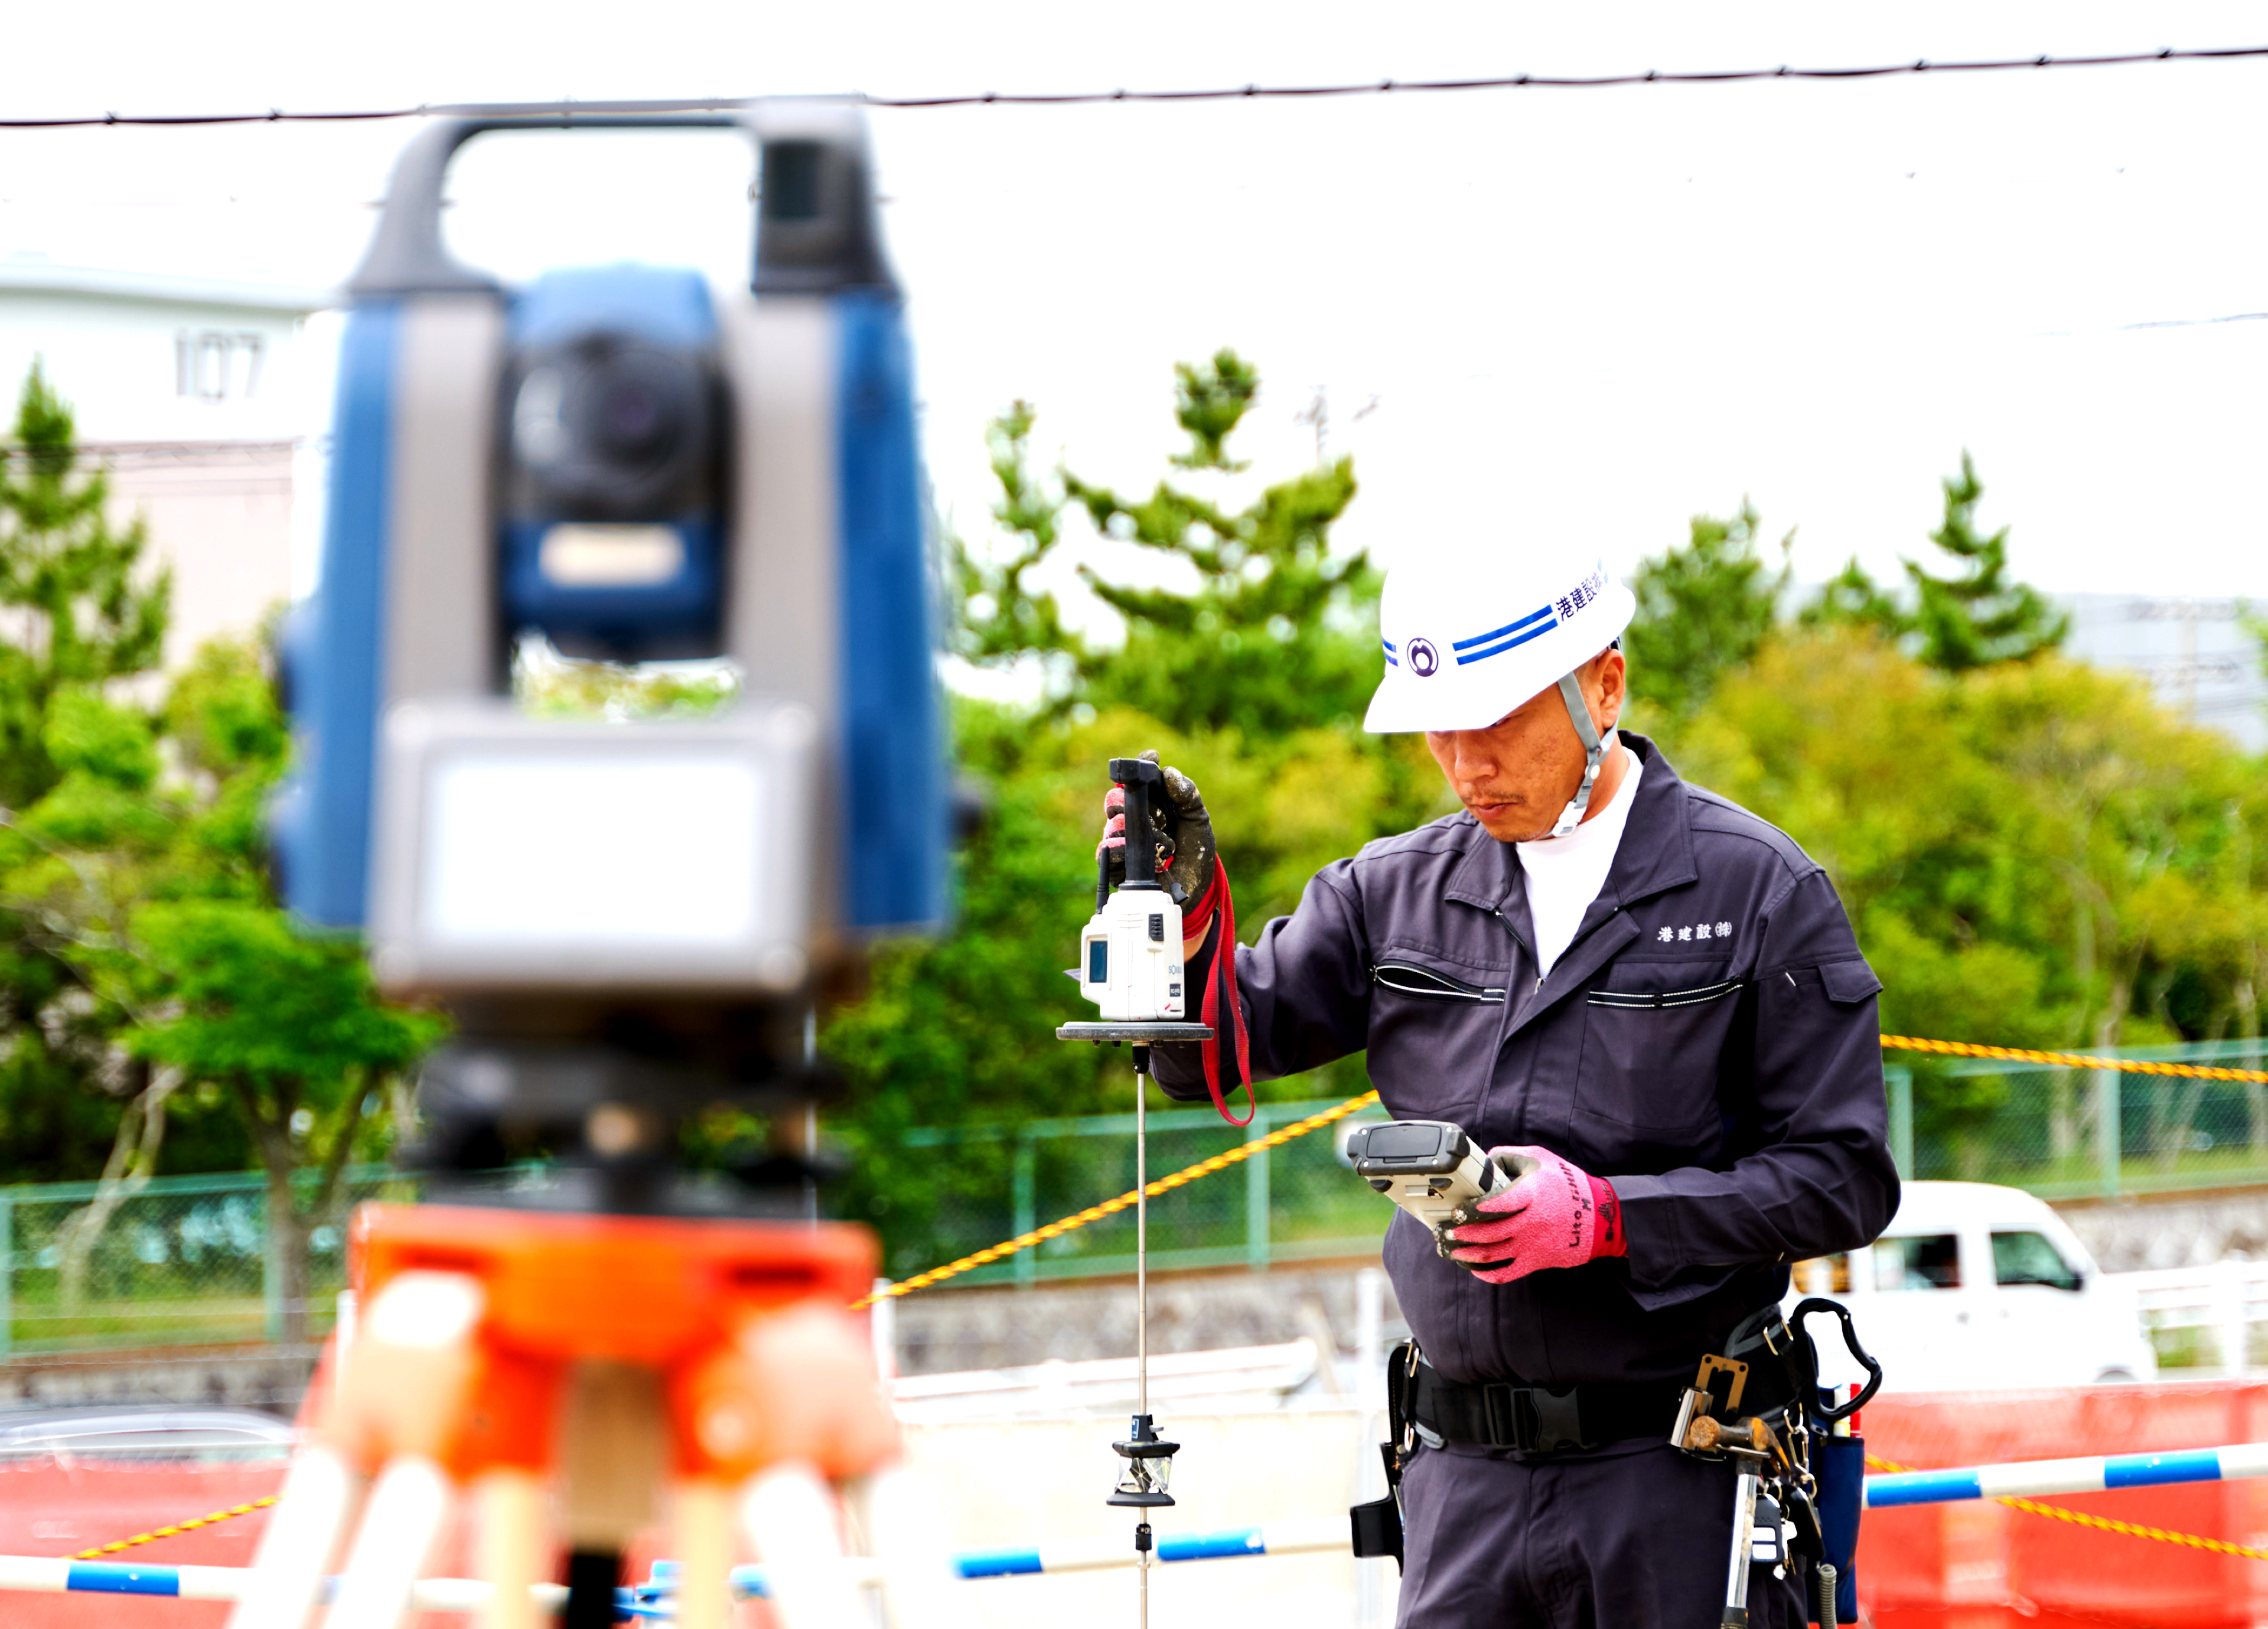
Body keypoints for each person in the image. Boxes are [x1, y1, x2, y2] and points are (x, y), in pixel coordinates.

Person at [1098, 539, 1898, 1628]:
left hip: (1681, 1473)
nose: (1467, 762)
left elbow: (1843, 1180)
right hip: (1462, 1487)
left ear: (1603, 684)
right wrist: (1176, 917)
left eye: (1497, 722)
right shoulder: (1390, 895)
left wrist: (1611, 1217)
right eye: (1440, 729)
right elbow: (1209, 1053)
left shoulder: (1758, 892)